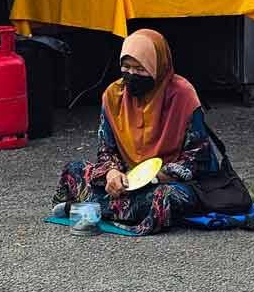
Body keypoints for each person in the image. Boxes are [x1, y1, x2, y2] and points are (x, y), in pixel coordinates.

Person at [52, 30, 219, 236]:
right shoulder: (114, 95)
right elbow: (106, 149)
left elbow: (197, 158)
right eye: (126, 67)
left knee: (165, 198)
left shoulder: (183, 95)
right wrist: (112, 173)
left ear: (158, 68)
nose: (131, 75)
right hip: (125, 179)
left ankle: (89, 208)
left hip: (168, 180)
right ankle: (115, 208)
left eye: (140, 69)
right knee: (74, 169)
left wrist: (154, 177)